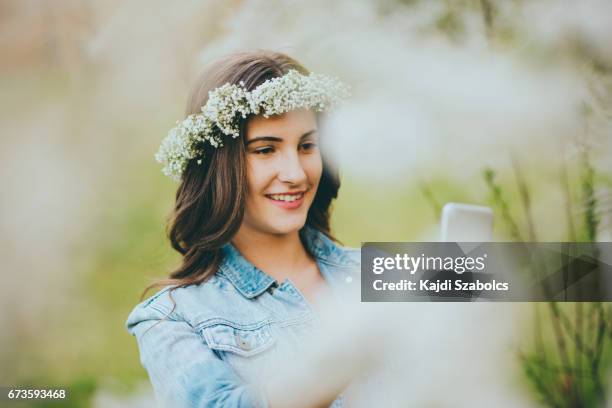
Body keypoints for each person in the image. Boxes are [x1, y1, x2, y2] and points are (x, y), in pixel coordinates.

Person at [125, 50, 360, 408]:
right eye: (266, 149)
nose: (296, 173)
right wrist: (346, 355)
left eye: (307, 146)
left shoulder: (375, 268)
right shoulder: (170, 319)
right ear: (219, 165)